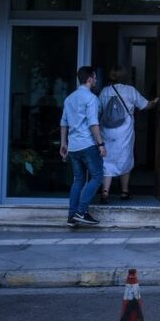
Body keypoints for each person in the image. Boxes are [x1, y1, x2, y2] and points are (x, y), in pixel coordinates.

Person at [98, 66, 158, 203]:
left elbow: (99, 110)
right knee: (125, 158)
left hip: (106, 131)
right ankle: (125, 191)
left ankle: (105, 191)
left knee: (107, 160)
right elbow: (145, 105)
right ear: (125, 77)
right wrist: (156, 102)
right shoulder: (130, 90)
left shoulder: (105, 91)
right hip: (124, 132)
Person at [59, 65, 106, 226]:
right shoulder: (91, 98)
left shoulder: (69, 98)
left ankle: (71, 215)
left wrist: (64, 143)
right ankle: (81, 211)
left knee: (78, 180)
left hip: (73, 147)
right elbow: (93, 123)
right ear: (90, 78)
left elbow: (63, 122)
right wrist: (101, 144)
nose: (96, 80)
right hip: (87, 144)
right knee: (97, 176)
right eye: (95, 77)